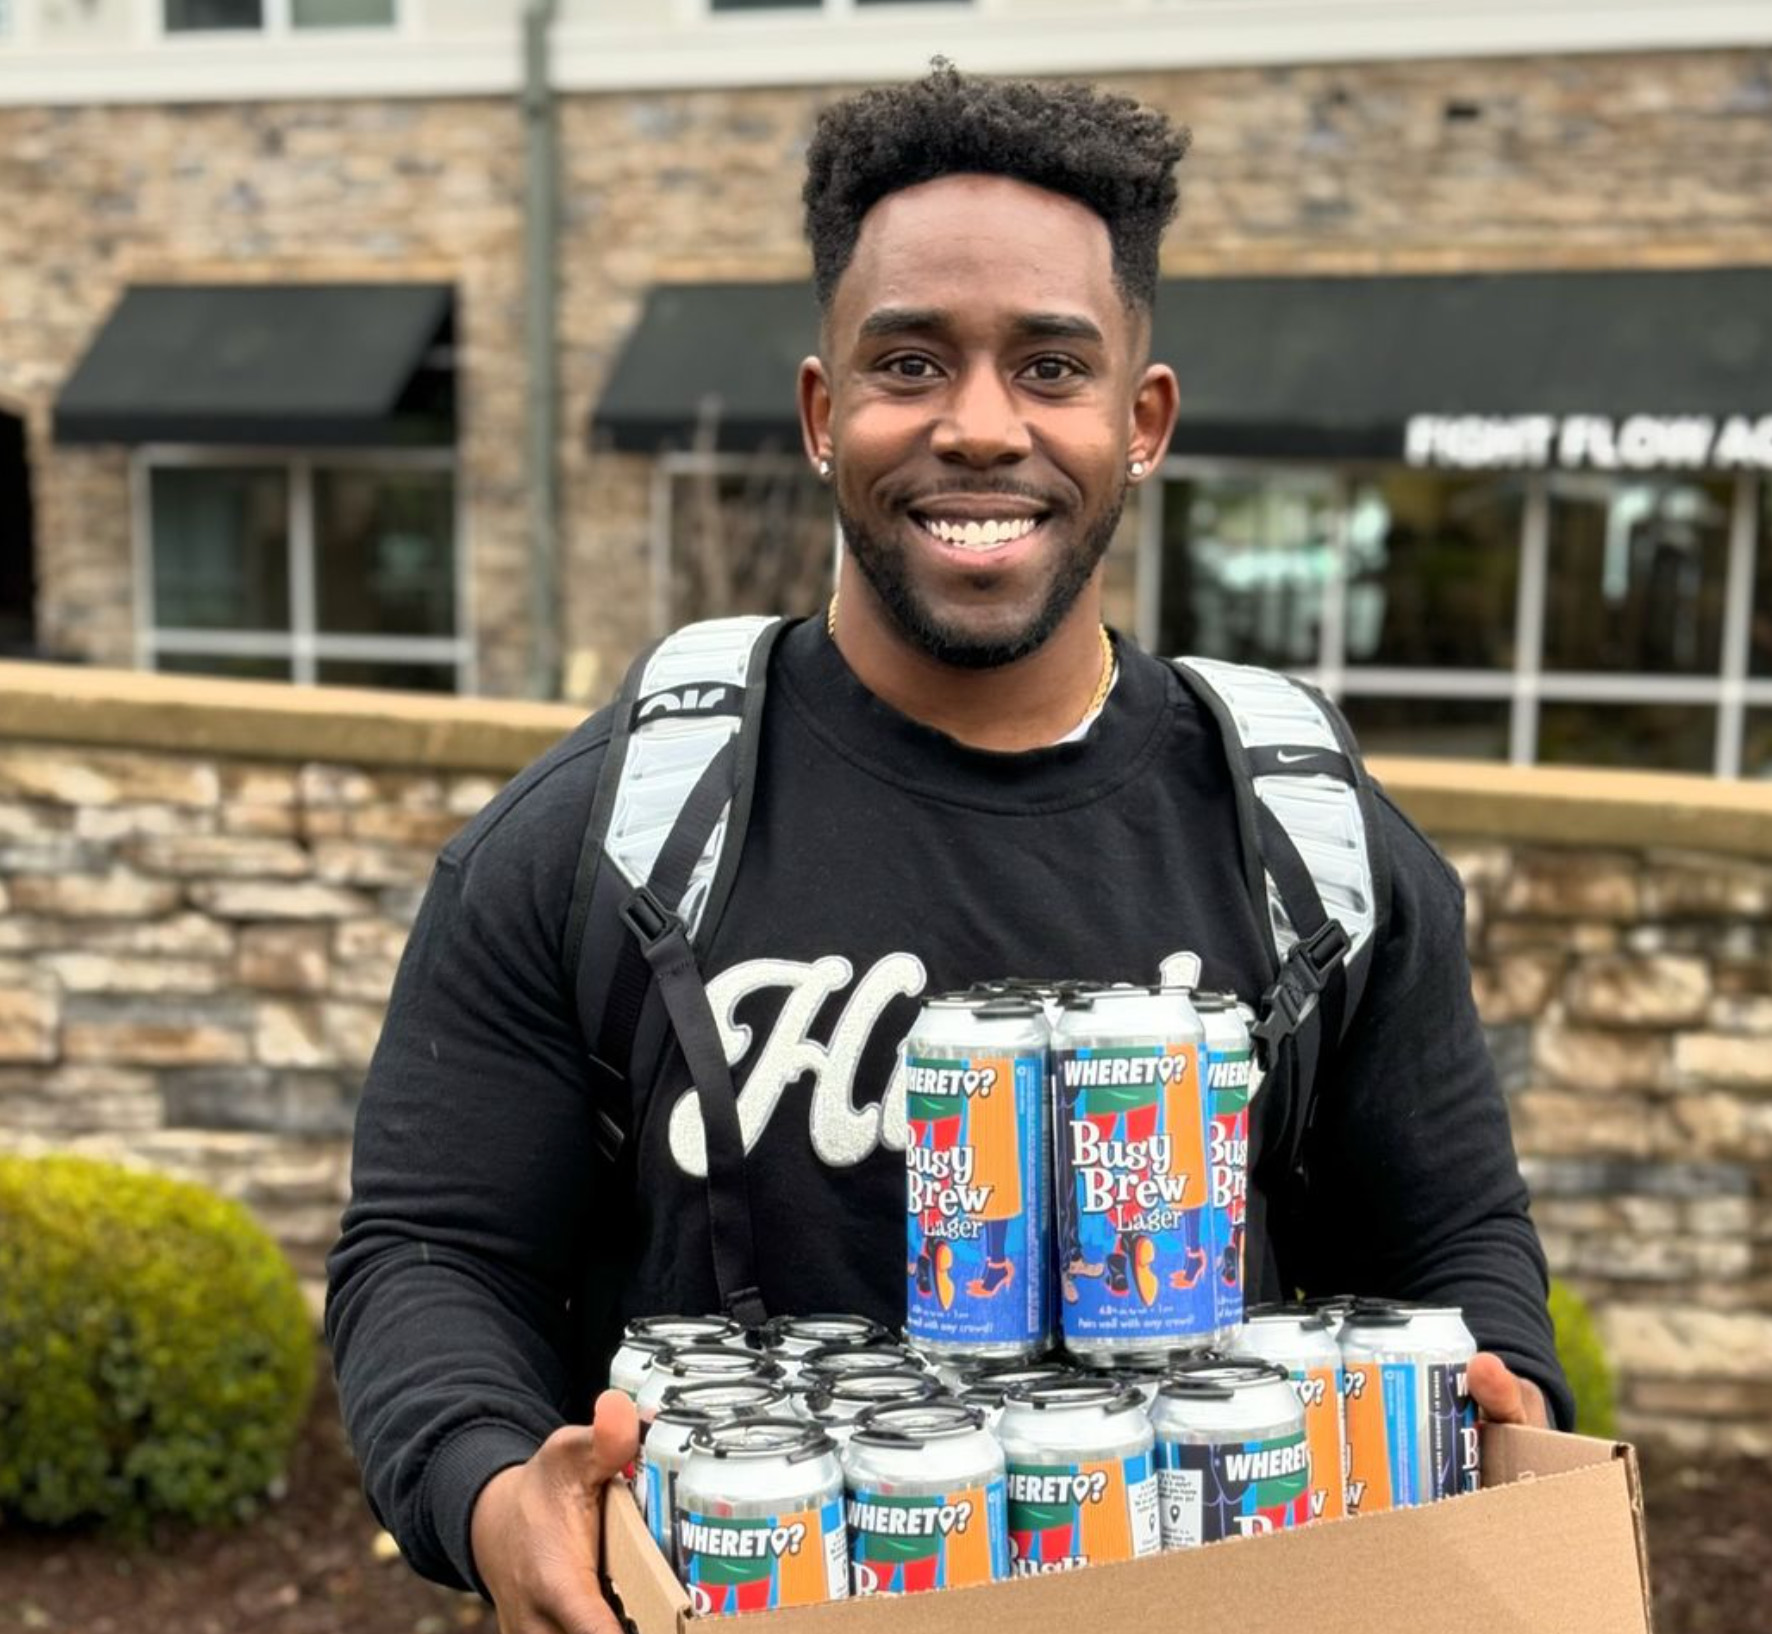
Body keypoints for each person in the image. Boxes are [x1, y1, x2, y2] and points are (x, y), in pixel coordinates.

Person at [326, 63, 1569, 1634]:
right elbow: (431, 1251)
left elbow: (1452, 1239)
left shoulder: (1310, 842)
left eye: (1050, 368)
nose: (981, 427)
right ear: (823, 410)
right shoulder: (604, 830)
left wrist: (1496, 1399)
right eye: (910, 361)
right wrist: (497, 1492)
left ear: (1141, 421)